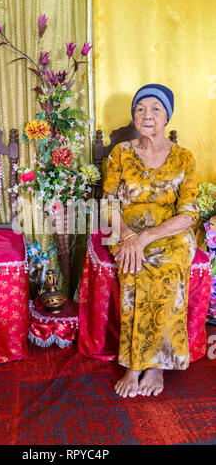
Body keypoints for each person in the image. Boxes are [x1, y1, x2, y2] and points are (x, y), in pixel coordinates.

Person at [103, 84, 199, 398]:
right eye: (140, 109)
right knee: (134, 269)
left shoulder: (184, 158)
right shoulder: (121, 153)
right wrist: (129, 235)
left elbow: (188, 212)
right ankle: (134, 363)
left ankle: (155, 365)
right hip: (127, 228)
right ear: (133, 115)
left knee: (169, 270)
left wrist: (147, 237)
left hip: (169, 231)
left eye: (155, 109)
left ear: (167, 116)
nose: (147, 115)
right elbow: (108, 203)